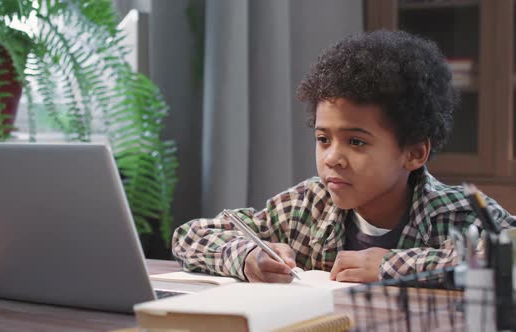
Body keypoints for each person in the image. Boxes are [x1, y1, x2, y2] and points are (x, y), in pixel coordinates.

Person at [171, 30, 516, 283]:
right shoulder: (305, 206)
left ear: (413, 153)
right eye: (323, 139)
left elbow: (508, 257)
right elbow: (190, 236)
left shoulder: (457, 213)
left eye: (356, 142)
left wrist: (390, 267)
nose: (332, 158)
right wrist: (248, 256)